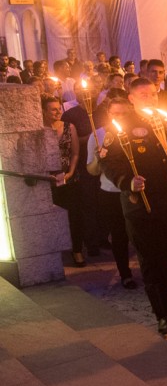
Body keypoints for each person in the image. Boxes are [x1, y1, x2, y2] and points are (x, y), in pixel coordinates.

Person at [101, 78, 167, 335]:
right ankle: (162, 314)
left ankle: (164, 299)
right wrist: (127, 181)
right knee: (150, 259)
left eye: (153, 94)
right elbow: (108, 162)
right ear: (131, 99)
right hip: (141, 205)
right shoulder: (122, 126)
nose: (150, 98)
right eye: (143, 95)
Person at [86, 96, 136, 288]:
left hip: (133, 189)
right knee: (119, 234)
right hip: (110, 192)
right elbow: (92, 171)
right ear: (108, 114)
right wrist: (99, 159)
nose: (120, 117)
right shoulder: (97, 135)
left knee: (139, 232)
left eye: (124, 113)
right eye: (116, 113)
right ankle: (125, 273)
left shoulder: (136, 132)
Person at [43, 95, 85, 267]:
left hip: (69, 178)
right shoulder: (40, 130)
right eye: (53, 109)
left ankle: (77, 250)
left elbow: (75, 153)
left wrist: (71, 172)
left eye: (59, 108)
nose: (57, 112)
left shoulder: (69, 127)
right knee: (52, 216)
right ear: (44, 112)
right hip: (48, 179)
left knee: (75, 215)